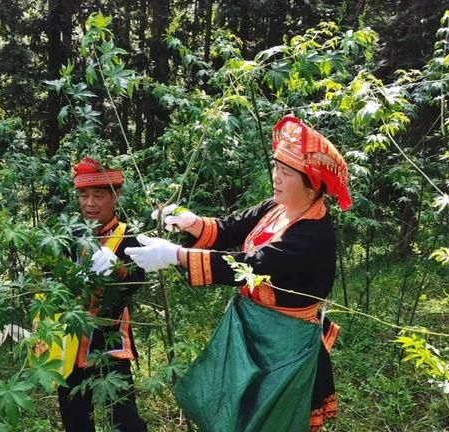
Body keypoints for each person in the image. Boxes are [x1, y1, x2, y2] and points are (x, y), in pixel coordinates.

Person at [125, 115, 351, 431]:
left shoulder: (313, 235)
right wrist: (191, 222)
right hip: (250, 330)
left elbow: (252, 264)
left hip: (283, 343)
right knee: (236, 409)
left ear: (312, 185)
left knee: (270, 419)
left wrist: (176, 255)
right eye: (276, 168)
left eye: (286, 173)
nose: (276, 178)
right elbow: (233, 227)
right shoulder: (277, 207)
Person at [57, 156, 148, 432]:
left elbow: (136, 282)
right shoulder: (70, 234)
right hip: (71, 341)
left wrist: (119, 269)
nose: (90, 204)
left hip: (110, 341)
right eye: (84, 196)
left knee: (125, 419)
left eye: (98, 196)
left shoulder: (128, 235)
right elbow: (54, 278)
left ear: (115, 196)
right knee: (75, 418)